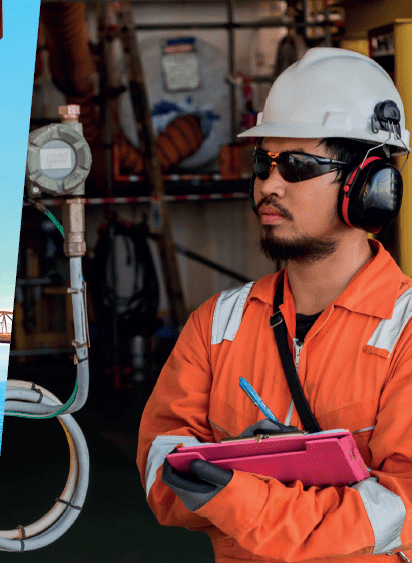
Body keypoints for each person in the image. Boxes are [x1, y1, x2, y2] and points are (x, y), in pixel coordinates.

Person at [137, 47, 412, 562]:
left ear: (367, 186)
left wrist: (237, 486)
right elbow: (160, 467)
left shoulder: (406, 333)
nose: (269, 184)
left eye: (297, 166)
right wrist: (240, 465)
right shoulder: (216, 324)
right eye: (263, 163)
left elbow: (402, 507)